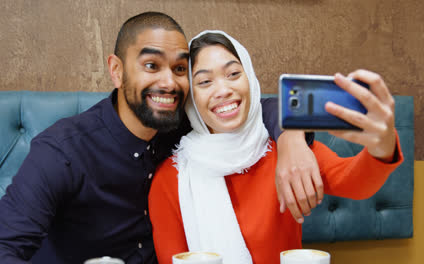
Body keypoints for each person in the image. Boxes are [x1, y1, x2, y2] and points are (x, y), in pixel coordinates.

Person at [0, 12, 319, 264]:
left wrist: (292, 135)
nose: (169, 82)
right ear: (117, 70)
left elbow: (263, 106)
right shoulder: (61, 151)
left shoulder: (181, 125)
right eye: (151, 65)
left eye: (180, 69)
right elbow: (5, 248)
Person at [148, 30, 404, 264]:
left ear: (250, 78)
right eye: (204, 82)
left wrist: (382, 145)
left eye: (234, 74)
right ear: (191, 97)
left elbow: (355, 183)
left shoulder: (289, 152)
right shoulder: (170, 179)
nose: (223, 90)